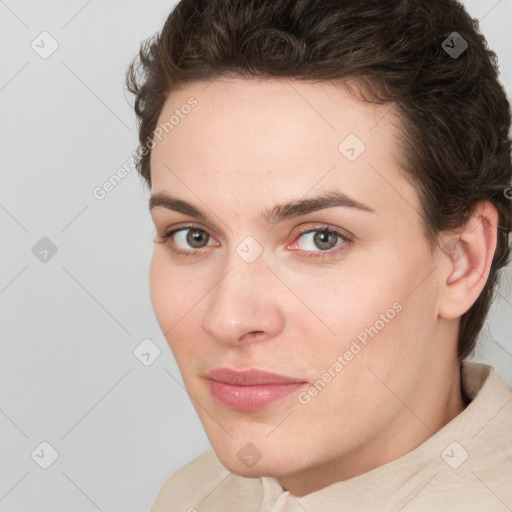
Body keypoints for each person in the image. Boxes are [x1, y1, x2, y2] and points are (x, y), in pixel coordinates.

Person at [125, 0, 512, 510]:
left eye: (320, 239)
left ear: (461, 261)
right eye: (193, 236)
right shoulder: (191, 497)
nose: (228, 318)